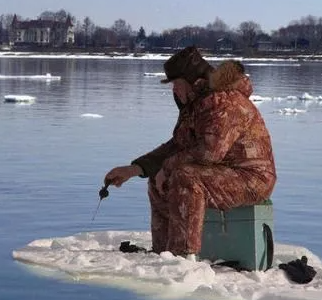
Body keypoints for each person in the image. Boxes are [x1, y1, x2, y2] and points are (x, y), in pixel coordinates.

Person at [104, 47, 276, 257]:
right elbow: (178, 145)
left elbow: (210, 153)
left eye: (176, 84)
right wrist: (136, 168)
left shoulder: (223, 102)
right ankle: (163, 253)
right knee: (160, 181)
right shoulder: (197, 104)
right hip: (222, 173)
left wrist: (167, 168)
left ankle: (182, 256)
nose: (174, 91)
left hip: (252, 179)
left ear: (194, 82)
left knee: (184, 178)